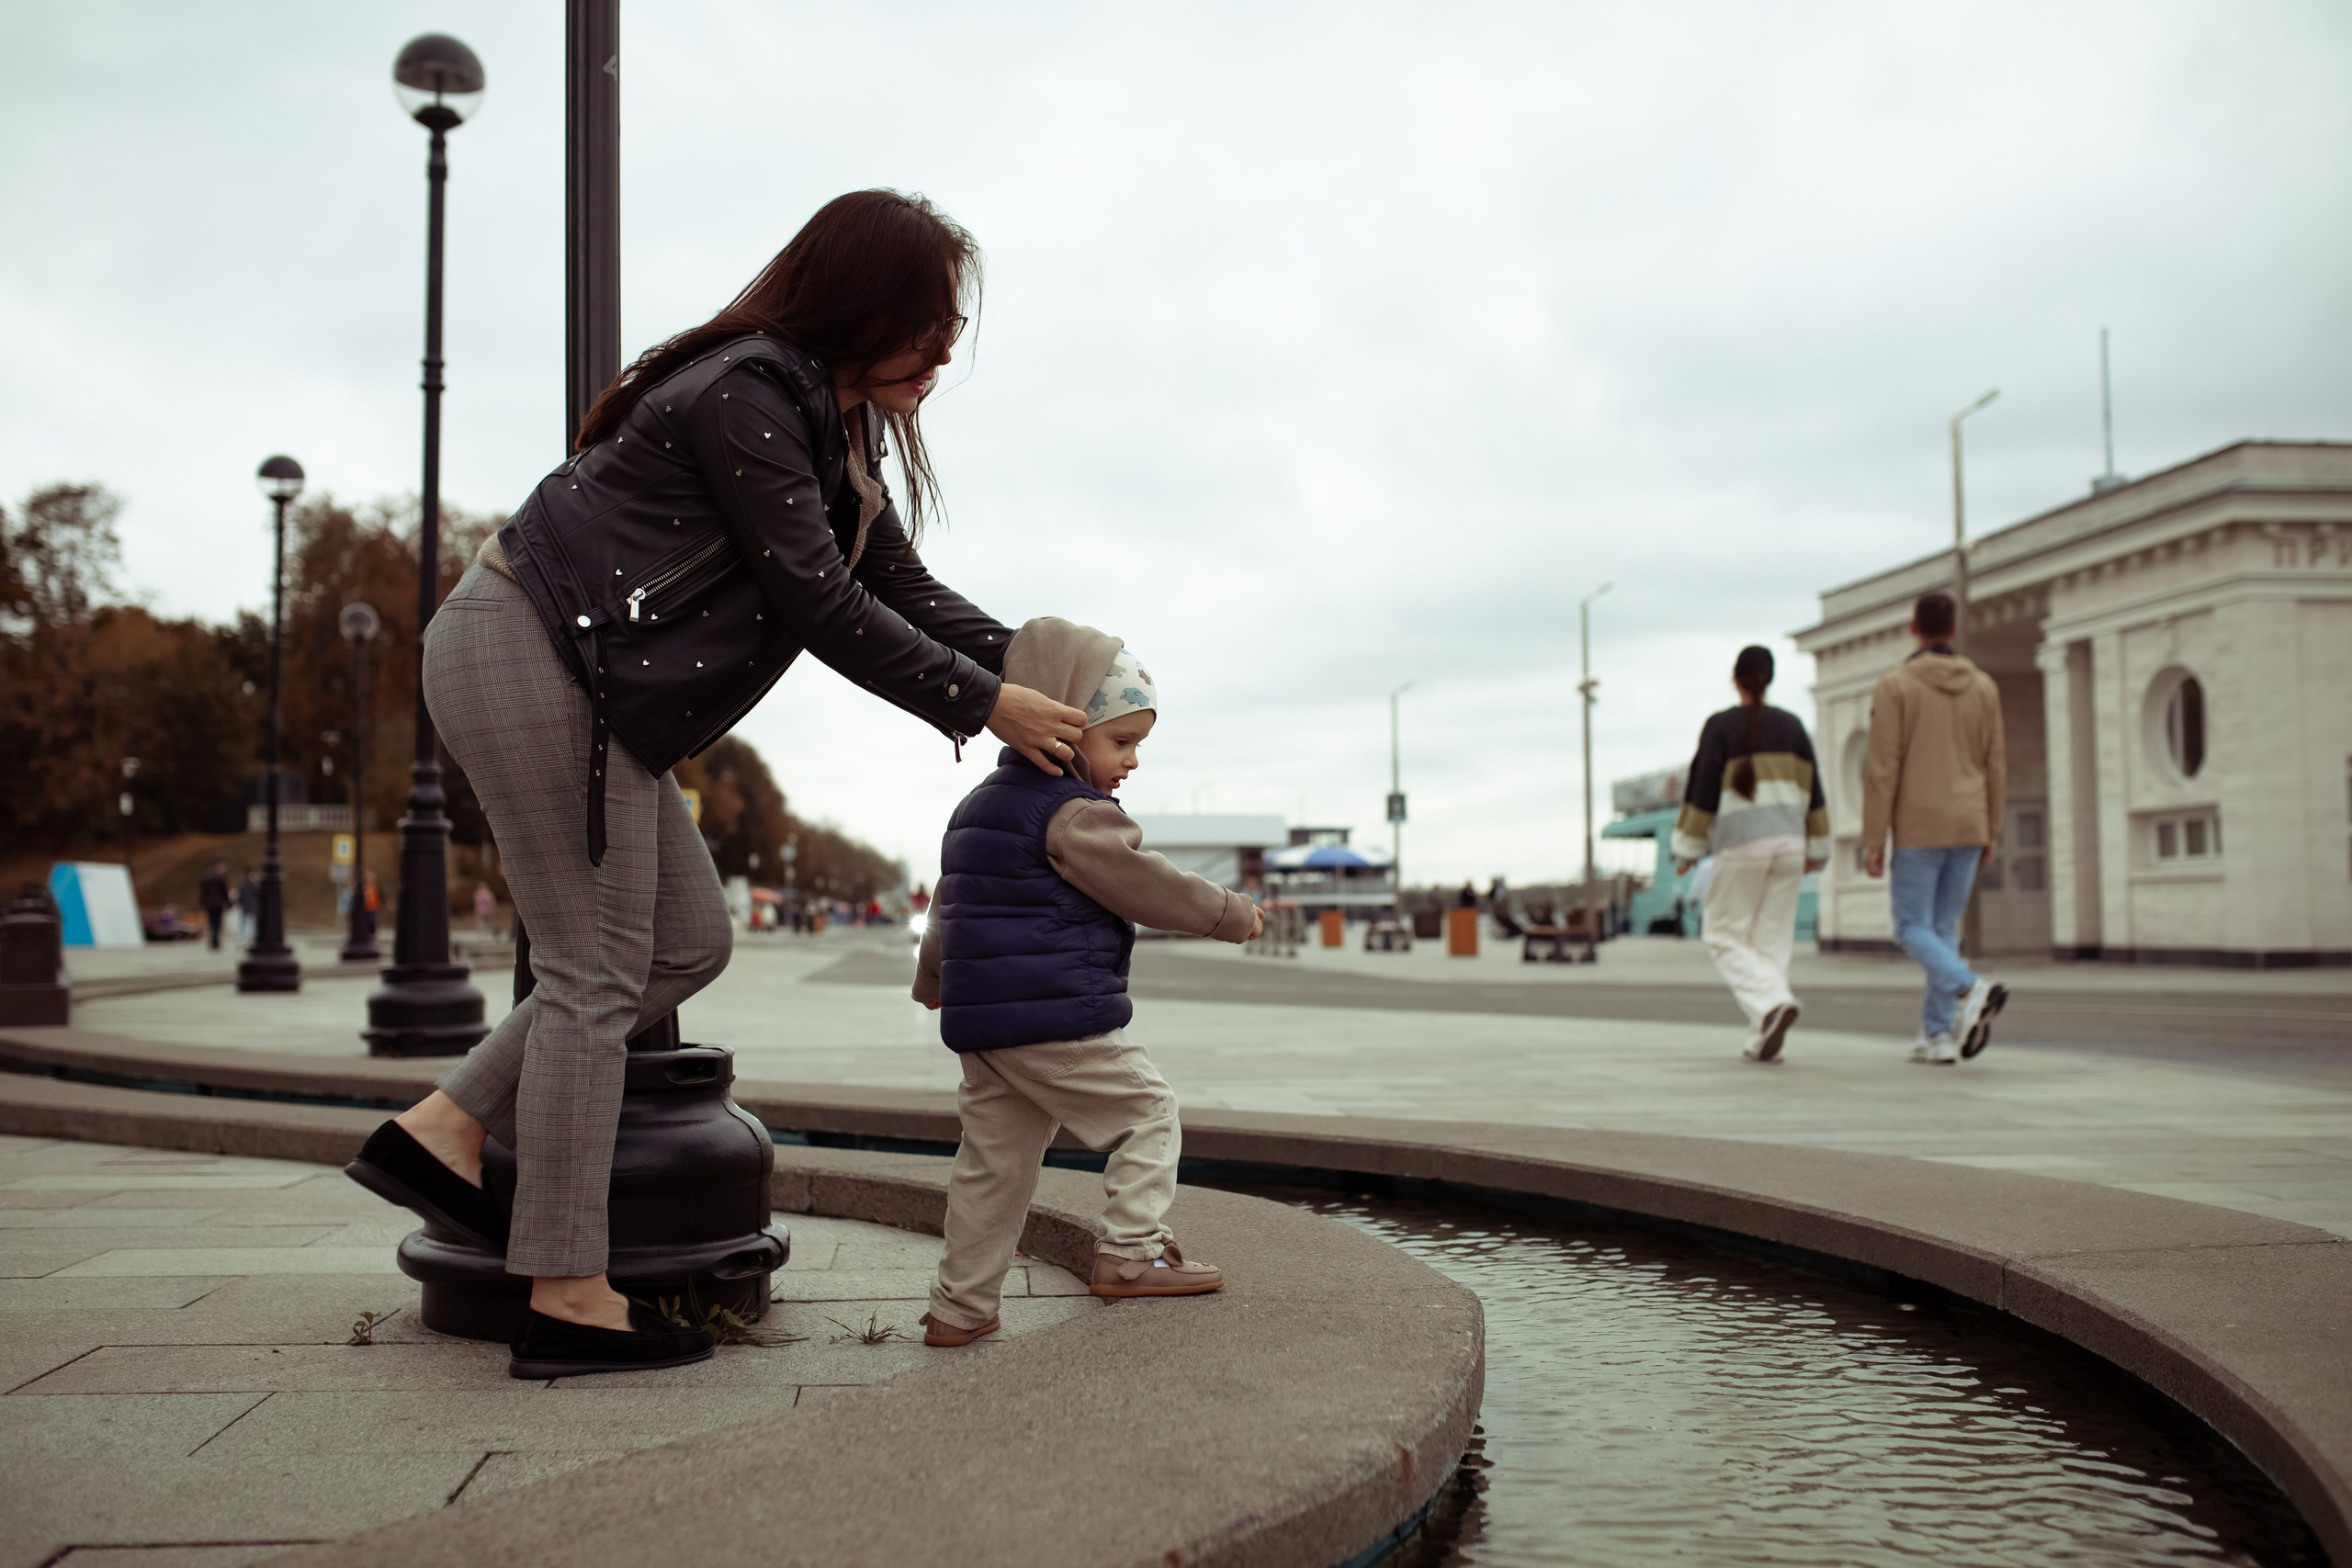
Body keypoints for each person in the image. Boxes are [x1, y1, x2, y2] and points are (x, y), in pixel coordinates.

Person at [342, 191, 1090, 1381]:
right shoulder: (750, 388)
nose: (944, 350)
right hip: (533, 645)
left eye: (953, 329)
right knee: (594, 972)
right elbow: (821, 605)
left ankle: (445, 1126)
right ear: (856, 304)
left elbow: (903, 588)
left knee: (685, 941)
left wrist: (1062, 674)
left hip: (598, 689)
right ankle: (566, 1292)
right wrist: (986, 703)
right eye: (924, 321)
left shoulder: (839, 438)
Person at [912, 618, 1259, 1348]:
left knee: (993, 1169)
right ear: (1067, 723)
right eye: (1122, 742)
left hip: (987, 1029)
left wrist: (932, 976)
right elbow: (1146, 885)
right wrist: (1229, 912)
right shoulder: (1071, 813)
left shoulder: (974, 808)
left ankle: (959, 1308)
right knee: (1149, 1112)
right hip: (1055, 1018)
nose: (1131, 762)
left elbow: (950, 903)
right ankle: (1130, 1255)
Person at [1861, 592, 2009, 1065]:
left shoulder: (1896, 686)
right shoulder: (1984, 687)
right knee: (1943, 928)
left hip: (1919, 826)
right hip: (1969, 822)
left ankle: (1970, 987)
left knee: (1911, 927)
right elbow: (1996, 763)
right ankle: (1939, 1035)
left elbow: (1883, 768)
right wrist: (1992, 829)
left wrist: (1873, 838)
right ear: (1953, 627)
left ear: (1913, 627)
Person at [1672, 646, 1829, 1064]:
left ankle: (1772, 1003)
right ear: (1770, 678)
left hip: (1743, 844)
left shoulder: (1720, 728)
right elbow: (1815, 794)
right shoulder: (1794, 728)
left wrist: (1685, 849)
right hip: (1791, 846)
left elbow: (1701, 791)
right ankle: (1762, 1035)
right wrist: (1819, 849)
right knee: (1770, 941)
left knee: (1722, 933)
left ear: (1735, 679)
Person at [198, 861, 230, 951]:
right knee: (217, 922)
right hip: (218, 903)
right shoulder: (221, 878)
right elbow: (224, 892)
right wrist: (227, 902)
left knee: (211, 922)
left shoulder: (206, 877)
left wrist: (202, 901)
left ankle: (212, 940)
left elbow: (203, 891)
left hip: (209, 903)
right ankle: (215, 940)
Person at [232, 869, 259, 947]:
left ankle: (245, 937)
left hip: (249, 906)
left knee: (248, 922)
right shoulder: (253, 886)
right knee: (248, 922)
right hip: (250, 906)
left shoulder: (245, 885)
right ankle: (245, 937)